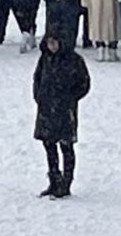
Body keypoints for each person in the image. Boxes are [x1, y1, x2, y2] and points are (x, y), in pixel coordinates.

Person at [32, 33, 90, 199]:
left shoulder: (74, 60)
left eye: (54, 42)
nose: (52, 46)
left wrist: (69, 98)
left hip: (65, 110)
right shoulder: (45, 59)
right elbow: (37, 79)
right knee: (49, 145)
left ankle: (66, 182)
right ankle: (54, 179)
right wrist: (39, 97)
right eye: (49, 43)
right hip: (46, 109)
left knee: (66, 146)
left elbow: (83, 84)